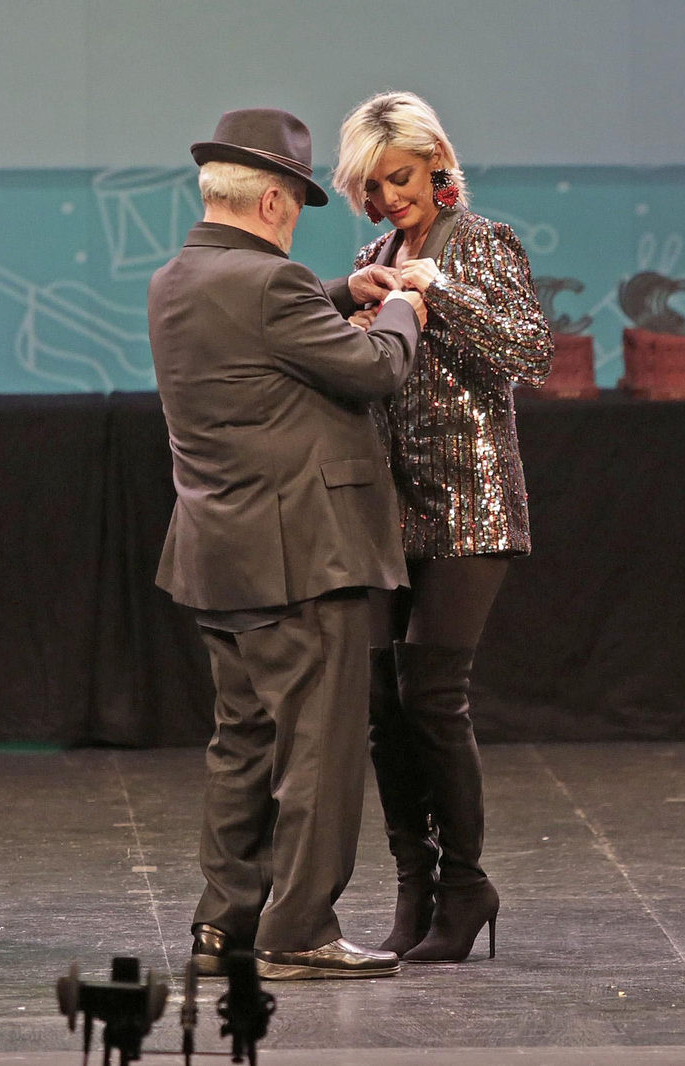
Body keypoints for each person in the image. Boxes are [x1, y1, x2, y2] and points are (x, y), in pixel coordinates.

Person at [150, 108, 427, 980]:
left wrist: (346, 297)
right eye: (297, 205)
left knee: (243, 745)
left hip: (220, 556)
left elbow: (265, 338)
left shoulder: (176, 280)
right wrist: (407, 308)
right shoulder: (271, 286)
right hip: (303, 558)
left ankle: (223, 925)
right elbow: (376, 371)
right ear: (272, 200)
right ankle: (299, 927)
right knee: (319, 750)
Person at [331, 90, 554, 963]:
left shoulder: (482, 242)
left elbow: (530, 352)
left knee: (432, 695)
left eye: (403, 178)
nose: (392, 198)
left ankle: (466, 885)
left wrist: (440, 292)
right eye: (376, 185)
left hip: (471, 501)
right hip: (388, 508)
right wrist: (357, 327)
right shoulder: (371, 253)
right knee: (384, 707)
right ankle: (413, 886)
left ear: (437, 166)